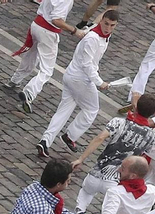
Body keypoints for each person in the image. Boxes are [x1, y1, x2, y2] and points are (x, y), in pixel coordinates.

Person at [38, 6, 117, 156]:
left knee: (63, 111)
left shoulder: (101, 34)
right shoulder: (93, 39)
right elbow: (86, 65)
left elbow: (91, 61)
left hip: (72, 76)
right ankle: (70, 136)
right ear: (102, 22)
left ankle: (45, 141)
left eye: (112, 25)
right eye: (106, 23)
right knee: (91, 109)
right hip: (80, 79)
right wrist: (99, 82)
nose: (108, 28)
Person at [70, 95, 155, 213]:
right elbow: (145, 159)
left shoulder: (118, 122)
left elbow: (100, 138)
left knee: (86, 191)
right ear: (152, 114)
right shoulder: (151, 136)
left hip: (98, 171)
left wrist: (81, 159)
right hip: (116, 180)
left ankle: (80, 212)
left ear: (136, 107)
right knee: (109, 209)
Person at [10, 0, 81, 113]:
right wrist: (75, 31)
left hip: (36, 25)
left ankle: (15, 80)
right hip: (48, 32)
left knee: (30, 57)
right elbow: (56, 20)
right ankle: (30, 92)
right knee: (46, 70)